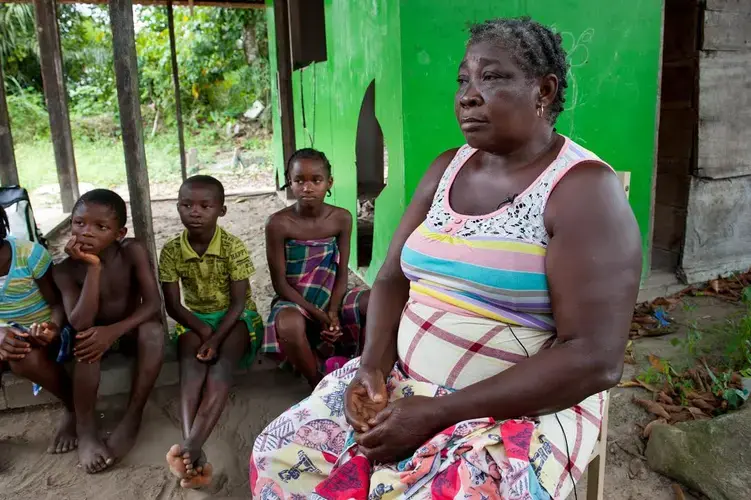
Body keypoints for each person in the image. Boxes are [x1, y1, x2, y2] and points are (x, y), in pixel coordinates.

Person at [250, 17, 641, 499]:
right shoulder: (445, 167)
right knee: (280, 455)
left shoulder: (583, 190)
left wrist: (439, 413)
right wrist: (372, 366)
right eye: (463, 80)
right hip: (402, 382)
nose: (468, 95)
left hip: (517, 412)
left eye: (492, 78)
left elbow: (595, 359)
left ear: (543, 90)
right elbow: (391, 278)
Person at [160, 175, 264, 489]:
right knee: (191, 375)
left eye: (206, 206)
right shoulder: (170, 251)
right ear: (177, 207)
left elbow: (237, 303)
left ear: (222, 210)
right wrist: (203, 330)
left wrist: (216, 338)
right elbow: (174, 307)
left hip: (236, 318)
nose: (195, 212)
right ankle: (194, 447)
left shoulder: (232, 246)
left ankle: (189, 449)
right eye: (187, 205)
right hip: (194, 319)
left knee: (219, 373)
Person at [53, 189, 164, 474]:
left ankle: (133, 415)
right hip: (92, 334)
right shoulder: (64, 271)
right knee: (85, 342)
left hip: (127, 329)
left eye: (100, 227)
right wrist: (93, 267)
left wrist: (113, 331)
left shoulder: (132, 251)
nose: (87, 232)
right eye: (79, 223)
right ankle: (86, 428)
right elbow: (78, 322)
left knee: (153, 332)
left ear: (119, 233)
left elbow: (152, 304)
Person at [261, 148, 370, 389]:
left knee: (374, 301)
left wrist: (332, 311)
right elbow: (280, 283)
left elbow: (342, 271)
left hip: (332, 295)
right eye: (299, 180)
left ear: (329, 183)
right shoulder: (279, 223)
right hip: (294, 299)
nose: (307, 188)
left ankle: (361, 367)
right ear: (290, 182)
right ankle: (316, 383)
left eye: (316, 180)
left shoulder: (341, 218)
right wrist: (321, 316)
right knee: (289, 323)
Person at [0, 205, 75, 454]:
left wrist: (51, 327)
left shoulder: (28, 254)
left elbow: (56, 302)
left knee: (24, 359)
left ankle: (74, 407)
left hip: (41, 331)